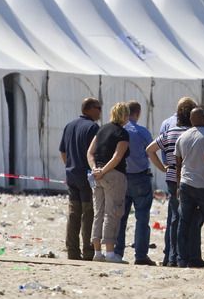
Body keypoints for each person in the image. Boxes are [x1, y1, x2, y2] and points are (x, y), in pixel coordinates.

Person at [147, 97, 196, 266]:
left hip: (172, 178)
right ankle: (186, 255)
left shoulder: (169, 131)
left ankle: (171, 257)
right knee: (189, 218)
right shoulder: (194, 133)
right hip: (191, 178)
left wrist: (163, 167)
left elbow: (150, 150)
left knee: (175, 217)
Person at [175, 107, 204, 268]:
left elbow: (178, 164)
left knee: (184, 223)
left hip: (187, 184)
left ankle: (183, 259)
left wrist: (177, 186)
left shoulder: (183, 137)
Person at [114, 101, 158, 266]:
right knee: (142, 218)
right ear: (138, 113)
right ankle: (140, 255)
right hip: (140, 177)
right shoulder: (142, 131)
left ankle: (117, 252)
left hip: (122, 177)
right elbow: (151, 150)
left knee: (120, 217)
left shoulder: (118, 130)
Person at [87, 102, 131, 263]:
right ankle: (110, 253)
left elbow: (90, 152)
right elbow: (117, 157)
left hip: (97, 175)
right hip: (113, 174)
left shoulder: (101, 129)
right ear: (125, 115)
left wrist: (95, 169)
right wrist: (104, 170)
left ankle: (97, 252)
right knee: (113, 212)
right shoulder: (122, 133)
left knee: (98, 212)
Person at [59, 97, 101, 260]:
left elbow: (63, 151)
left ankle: (72, 251)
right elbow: (95, 152)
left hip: (72, 175)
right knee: (88, 213)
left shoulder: (69, 126)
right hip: (86, 176)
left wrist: (70, 166)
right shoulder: (92, 128)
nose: (100, 111)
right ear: (89, 109)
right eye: (98, 108)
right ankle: (88, 251)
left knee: (73, 213)